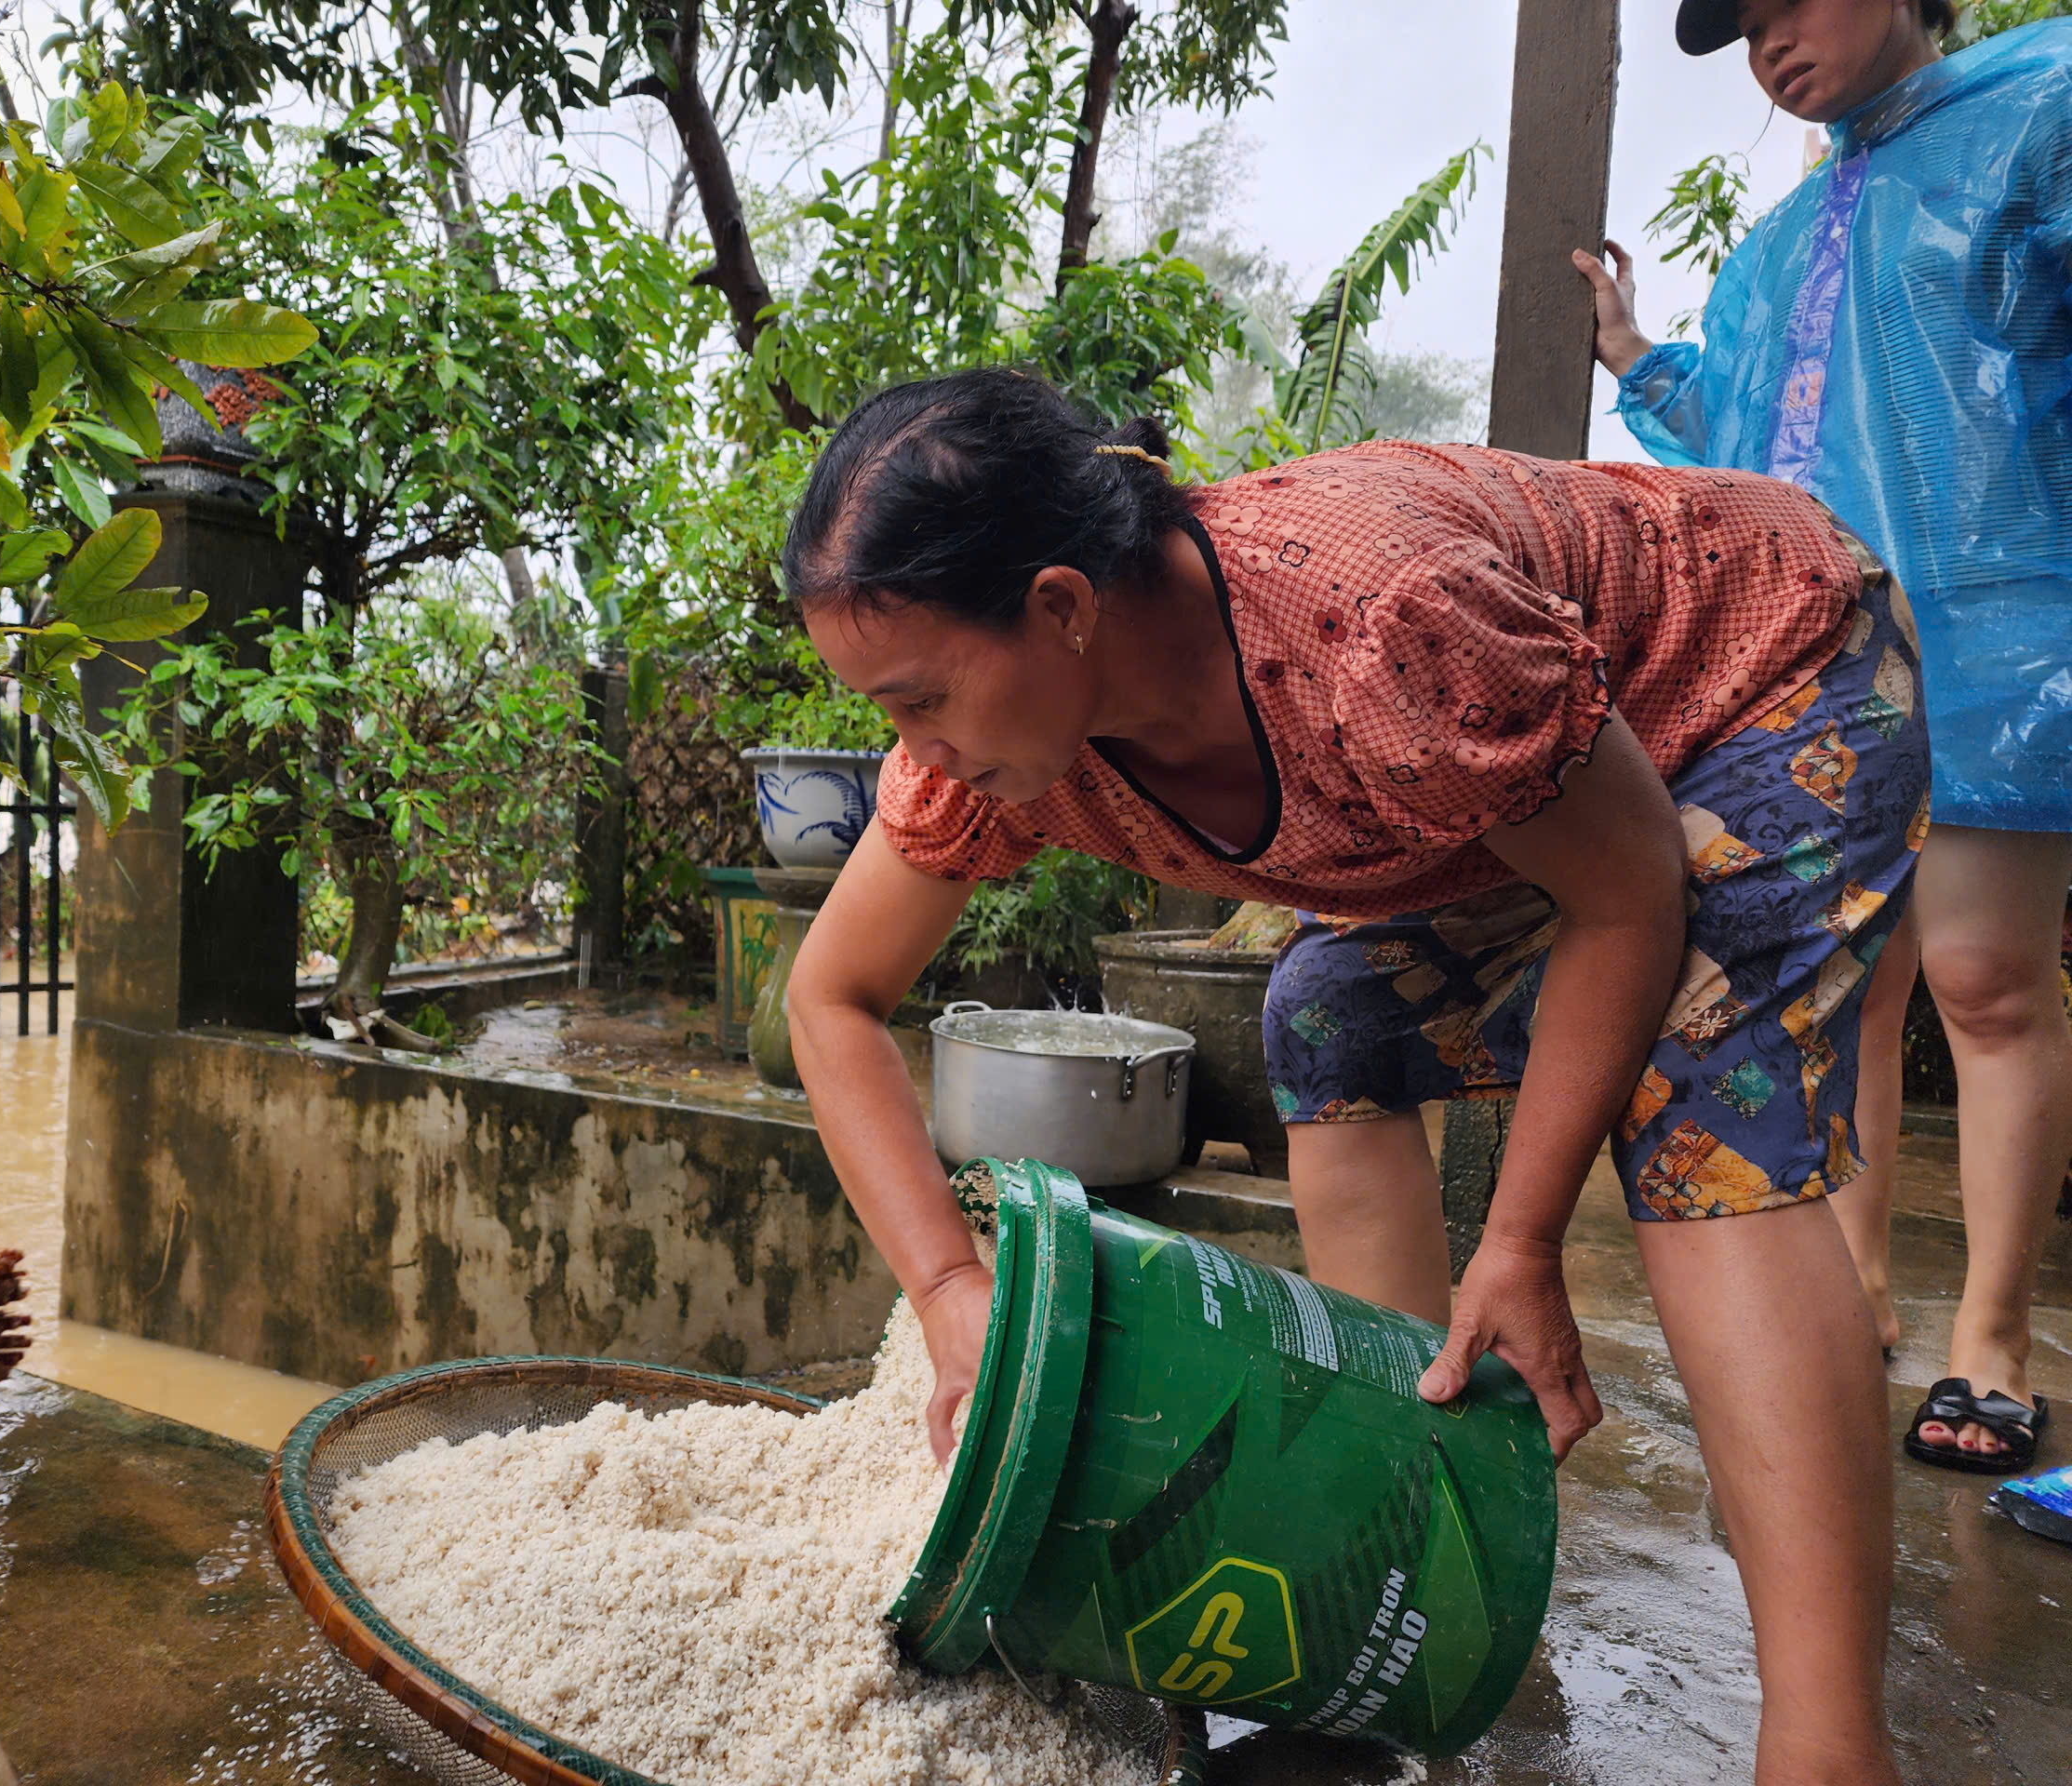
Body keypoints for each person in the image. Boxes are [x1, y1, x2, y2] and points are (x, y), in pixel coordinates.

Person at [782, 367, 1921, 1786]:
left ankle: (1828, 1741)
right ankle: (1431, 1509)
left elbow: (1629, 896)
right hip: (1571, 783)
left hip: (1762, 664)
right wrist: (952, 1290)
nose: (914, 751)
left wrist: (1520, 1239)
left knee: (1699, 1085)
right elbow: (832, 999)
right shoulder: (1003, 751)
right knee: (1331, 1013)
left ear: (1064, 608)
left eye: (920, 698)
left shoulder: (1378, 630)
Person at [1574, 0, 2072, 1473]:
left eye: (1791, 0)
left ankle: (1990, 1335)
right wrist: (1636, 360)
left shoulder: (2043, 112)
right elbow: (1741, 436)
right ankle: (1851, 1287)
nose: (1769, 43)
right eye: (1742, 27)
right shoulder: (1776, 248)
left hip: (2001, 639)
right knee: (1849, 987)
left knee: (1984, 983)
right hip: (1830, 665)